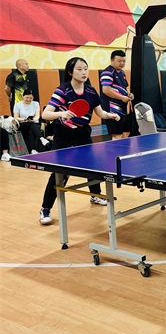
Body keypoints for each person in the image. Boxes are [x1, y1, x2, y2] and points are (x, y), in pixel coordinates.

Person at [39, 57, 121, 225]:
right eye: (79, 69)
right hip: (63, 135)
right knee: (60, 172)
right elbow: (45, 114)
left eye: (85, 68)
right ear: (70, 72)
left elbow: (100, 112)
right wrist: (61, 113)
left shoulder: (90, 91)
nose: (84, 72)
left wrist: (109, 115)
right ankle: (45, 208)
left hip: (82, 133)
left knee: (91, 166)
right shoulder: (62, 91)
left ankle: (95, 195)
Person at [101, 50, 134, 140]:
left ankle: (124, 149)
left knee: (126, 132)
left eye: (124, 61)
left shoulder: (122, 73)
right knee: (117, 135)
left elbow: (125, 87)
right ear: (112, 60)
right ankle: (115, 150)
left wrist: (129, 94)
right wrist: (122, 97)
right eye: (119, 61)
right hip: (113, 110)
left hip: (124, 109)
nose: (122, 63)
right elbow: (106, 90)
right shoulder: (107, 72)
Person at [12, 89, 50, 153]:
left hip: (34, 123)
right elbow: (16, 117)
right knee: (30, 124)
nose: (28, 99)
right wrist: (24, 119)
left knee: (31, 128)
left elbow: (37, 116)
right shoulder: (17, 105)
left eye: (30, 98)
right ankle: (42, 139)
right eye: (27, 98)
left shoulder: (36, 104)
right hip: (23, 124)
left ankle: (32, 150)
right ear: (23, 97)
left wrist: (33, 120)